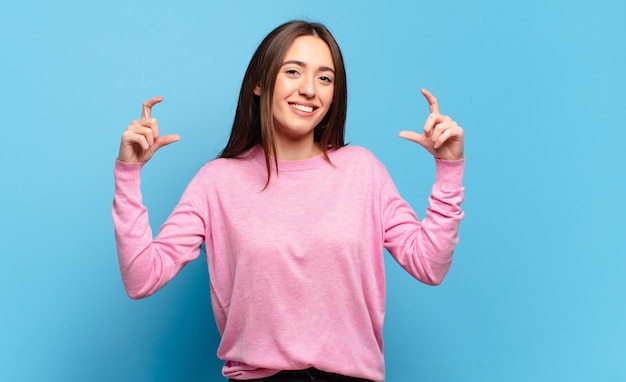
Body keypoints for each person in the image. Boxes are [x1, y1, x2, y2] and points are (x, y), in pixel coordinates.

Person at [112, 20, 465, 382]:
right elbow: (142, 278)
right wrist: (129, 173)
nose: (309, 90)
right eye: (293, 71)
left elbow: (429, 266)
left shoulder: (363, 171)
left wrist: (449, 168)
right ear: (260, 83)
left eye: (325, 78)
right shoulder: (217, 181)